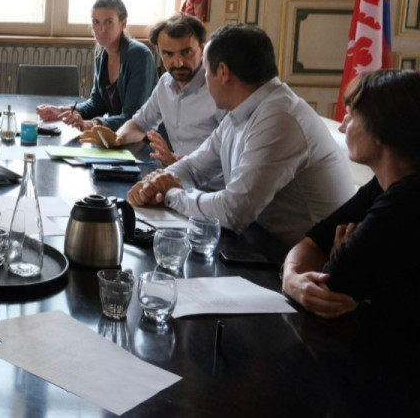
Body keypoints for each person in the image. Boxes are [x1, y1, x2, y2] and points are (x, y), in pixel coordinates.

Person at [127, 24, 355, 245]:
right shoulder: (243, 110)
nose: (205, 79)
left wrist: (170, 194)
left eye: (206, 71)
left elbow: (233, 211)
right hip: (262, 244)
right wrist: (153, 184)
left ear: (223, 72)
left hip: (307, 260)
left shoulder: (280, 118)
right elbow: (193, 167)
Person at [282, 70, 420, 323]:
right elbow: (314, 241)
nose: (342, 126)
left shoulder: (405, 200)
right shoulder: (384, 183)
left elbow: (331, 289)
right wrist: (292, 277)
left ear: (380, 131)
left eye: (351, 116)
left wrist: (336, 256)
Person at [84, 13, 224, 167]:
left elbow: (229, 153)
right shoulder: (165, 83)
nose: (178, 63)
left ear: (202, 49)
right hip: (179, 173)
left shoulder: (219, 89)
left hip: (210, 180)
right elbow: (139, 124)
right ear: (159, 52)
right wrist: (118, 139)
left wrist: (178, 163)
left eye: (186, 52)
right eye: (168, 54)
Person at [36, 0, 157, 130]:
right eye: (96, 22)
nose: (102, 29)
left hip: (146, 138)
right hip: (116, 136)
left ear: (123, 23)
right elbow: (97, 104)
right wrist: (63, 111)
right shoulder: (101, 53)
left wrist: (91, 124)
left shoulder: (140, 55)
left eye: (109, 22)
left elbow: (133, 117)